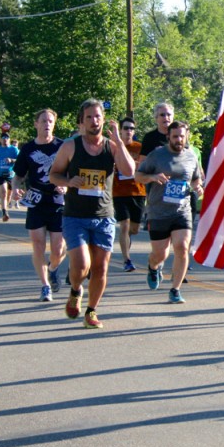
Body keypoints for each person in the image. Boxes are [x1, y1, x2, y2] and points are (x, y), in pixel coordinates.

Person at [49, 99, 136, 329]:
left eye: (97, 117)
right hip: (75, 215)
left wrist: (118, 139)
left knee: (101, 267)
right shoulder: (70, 146)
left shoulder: (112, 146)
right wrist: (69, 181)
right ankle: (76, 290)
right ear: (82, 121)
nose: (94, 121)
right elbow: (53, 175)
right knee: (80, 265)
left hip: (104, 216)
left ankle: (91, 311)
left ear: (103, 119)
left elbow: (129, 171)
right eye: (89, 117)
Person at [135, 120, 203, 304]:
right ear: (168, 137)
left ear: (186, 136)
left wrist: (198, 187)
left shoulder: (191, 156)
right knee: (160, 254)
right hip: (158, 211)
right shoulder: (157, 155)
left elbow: (196, 179)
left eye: (182, 136)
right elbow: (138, 175)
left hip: (182, 211)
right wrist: (153, 177)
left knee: (182, 247)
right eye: (175, 136)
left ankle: (175, 289)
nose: (179, 139)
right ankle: (153, 266)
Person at [13, 108, 67, 302]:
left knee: (59, 248)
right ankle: (45, 286)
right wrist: (15, 189)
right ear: (36, 124)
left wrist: (66, 187)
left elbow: (72, 172)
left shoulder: (63, 146)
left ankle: (52, 269)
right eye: (43, 121)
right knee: (37, 245)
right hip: (36, 200)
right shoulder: (28, 149)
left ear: (54, 124)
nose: (47, 124)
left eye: (50, 121)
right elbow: (18, 175)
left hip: (57, 200)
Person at [112, 118, 146, 273]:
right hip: (119, 191)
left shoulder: (139, 147)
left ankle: (127, 240)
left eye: (131, 128)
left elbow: (146, 165)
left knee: (134, 229)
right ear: (120, 130)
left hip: (138, 191)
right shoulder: (114, 147)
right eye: (125, 128)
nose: (128, 131)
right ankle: (127, 260)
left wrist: (135, 165)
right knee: (124, 225)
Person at [0, 132, 19, 222]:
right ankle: (4, 212)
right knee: (3, 192)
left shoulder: (14, 150)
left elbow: (20, 160)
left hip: (11, 175)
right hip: (0, 174)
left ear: (9, 139)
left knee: (9, 195)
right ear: (0, 139)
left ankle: (7, 204)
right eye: (3, 137)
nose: (5, 139)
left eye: (7, 137)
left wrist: (11, 160)